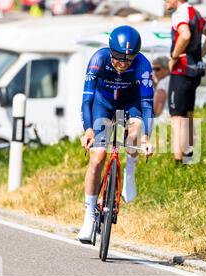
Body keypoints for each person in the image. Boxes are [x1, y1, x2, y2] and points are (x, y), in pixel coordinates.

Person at [78, 25, 154, 243]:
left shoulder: (143, 65)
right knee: (98, 157)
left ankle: (130, 171)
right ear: (110, 51)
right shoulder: (98, 60)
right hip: (102, 104)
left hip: (131, 103)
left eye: (129, 60)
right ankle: (89, 216)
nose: (123, 64)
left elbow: (147, 105)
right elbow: (87, 100)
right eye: (119, 58)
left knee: (135, 132)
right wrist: (89, 130)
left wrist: (146, 138)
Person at [165, 0, 206, 164]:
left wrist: (174, 57)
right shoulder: (195, 13)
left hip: (181, 70)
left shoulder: (179, 13)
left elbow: (185, 34)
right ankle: (189, 156)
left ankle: (178, 162)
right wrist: (198, 55)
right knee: (188, 113)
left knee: (176, 117)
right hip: (195, 69)